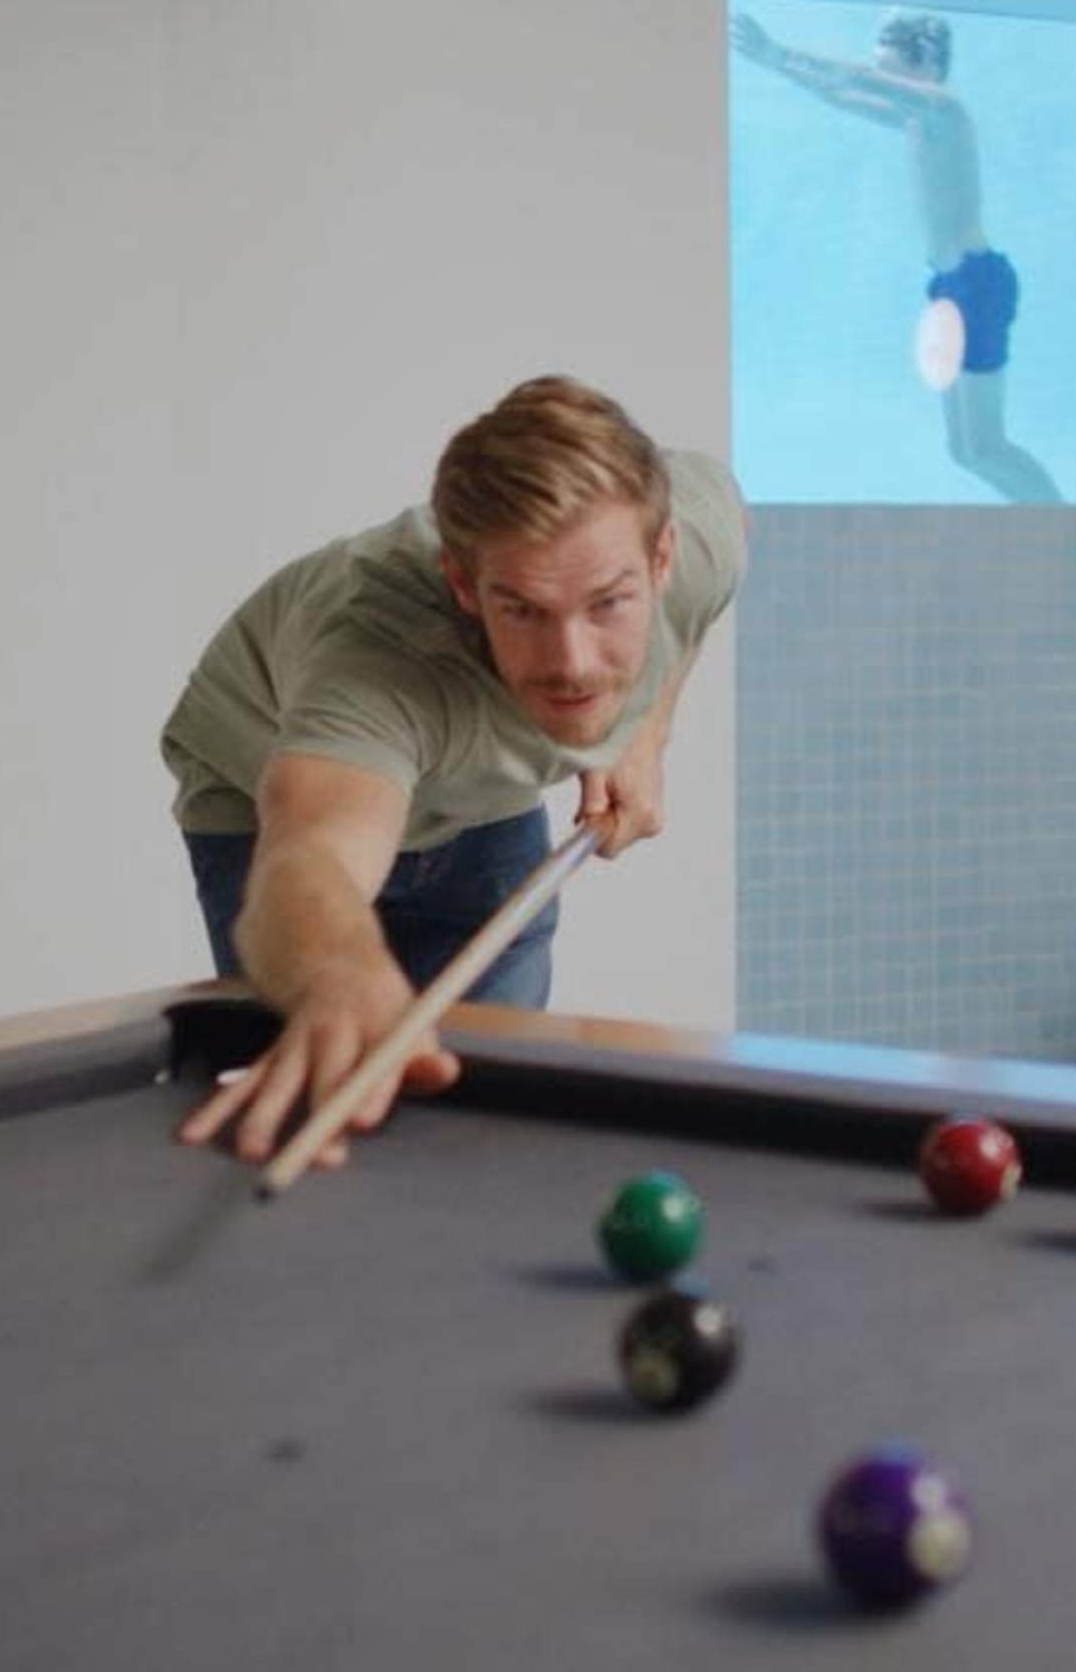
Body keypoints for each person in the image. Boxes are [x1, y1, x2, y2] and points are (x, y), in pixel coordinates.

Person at [162, 376, 748, 1164]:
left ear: (664, 557)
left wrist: (650, 728)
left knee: (476, 1120)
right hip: (260, 794)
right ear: (464, 585)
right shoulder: (377, 658)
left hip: (478, 804)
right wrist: (335, 970)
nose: (572, 662)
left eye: (608, 604)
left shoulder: (698, 542)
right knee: (335, 1087)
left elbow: (727, 516)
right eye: (525, 612)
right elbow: (309, 856)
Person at [729, 6, 1064, 504]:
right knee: (966, 452)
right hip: (948, 284)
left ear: (924, 60)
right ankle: (1040, 515)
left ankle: (1060, 517)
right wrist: (773, 65)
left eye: (891, 67)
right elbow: (842, 94)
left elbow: (857, 79)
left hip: (978, 282)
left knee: (988, 446)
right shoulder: (914, 121)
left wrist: (778, 51)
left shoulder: (944, 110)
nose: (883, 79)